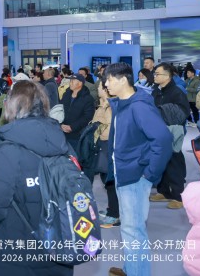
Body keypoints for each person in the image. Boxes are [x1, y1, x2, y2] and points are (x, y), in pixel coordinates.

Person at [0, 81, 73, 276]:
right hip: (59, 244)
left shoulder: (8, 151)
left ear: (12, 106)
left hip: (15, 248)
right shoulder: (62, 143)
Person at [103, 63, 172, 276]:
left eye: (109, 80)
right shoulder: (123, 104)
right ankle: (131, 268)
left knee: (133, 231)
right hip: (124, 173)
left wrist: (150, 174)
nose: (106, 85)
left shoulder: (139, 106)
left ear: (124, 79)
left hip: (135, 176)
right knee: (129, 228)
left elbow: (163, 140)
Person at [151, 62, 190, 209]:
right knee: (161, 161)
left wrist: (161, 110)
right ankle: (164, 191)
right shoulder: (156, 91)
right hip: (158, 130)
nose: (154, 76)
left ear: (167, 76)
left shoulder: (176, 92)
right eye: (154, 73)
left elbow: (183, 112)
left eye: (157, 74)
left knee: (174, 163)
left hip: (172, 131)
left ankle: (179, 196)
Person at [92, 79, 120, 229]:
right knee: (107, 181)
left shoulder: (109, 107)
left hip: (107, 146)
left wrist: (96, 132)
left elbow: (110, 130)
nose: (97, 89)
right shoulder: (102, 105)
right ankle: (112, 211)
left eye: (100, 87)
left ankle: (114, 215)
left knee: (111, 182)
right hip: (102, 146)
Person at [60, 73, 95, 153]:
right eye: (70, 81)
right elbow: (60, 109)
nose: (70, 83)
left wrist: (72, 127)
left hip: (76, 135)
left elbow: (87, 117)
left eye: (73, 81)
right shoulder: (66, 94)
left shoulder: (88, 99)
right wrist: (60, 124)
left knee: (74, 156)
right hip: (62, 132)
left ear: (80, 83)